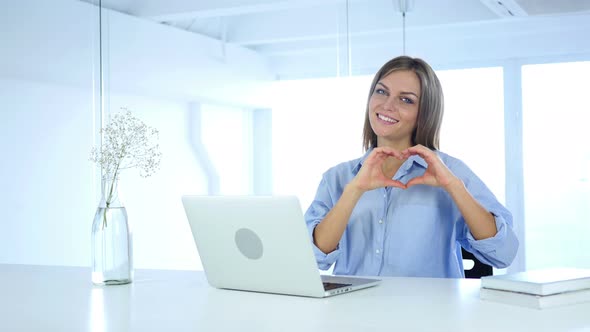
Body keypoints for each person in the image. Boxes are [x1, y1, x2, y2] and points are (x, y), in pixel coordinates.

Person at [304, 55, 519, 278]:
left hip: (429, 311)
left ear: (424, 113)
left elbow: (504, 254)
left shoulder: (451, 171)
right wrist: (354, 190)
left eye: (406, 100)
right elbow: (311, 258)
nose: (387, 105)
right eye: (381, 91)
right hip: (350, 309)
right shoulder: (337, 178)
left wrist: (453, 186)